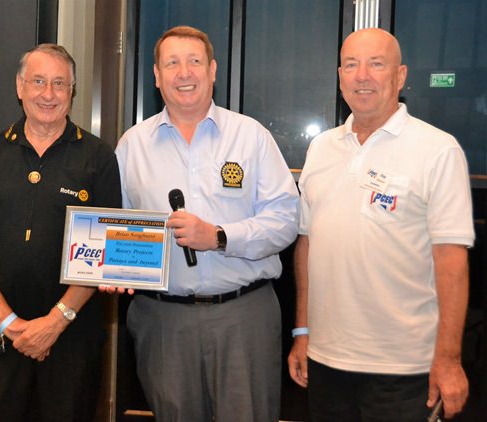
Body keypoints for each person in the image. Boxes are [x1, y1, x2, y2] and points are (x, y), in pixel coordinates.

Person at [112, 26, 299, 422]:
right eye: (172, 63)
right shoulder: (132, 145)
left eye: (195, 62)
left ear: (212, 70)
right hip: (162, 321)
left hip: (243, 316)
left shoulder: (251, 137)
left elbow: (285, 220)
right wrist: (115, 266)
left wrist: (218, 236)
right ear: (157, 76)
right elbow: (119, 224)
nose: (184, 73)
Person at [287, 28, 474, 421]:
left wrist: (449, 360)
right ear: (340, 77)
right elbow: (307, 245)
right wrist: (302, 332)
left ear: (400, 76)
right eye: (352, 65)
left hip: (404, 369)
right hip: (326, 360)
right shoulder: (321, 148)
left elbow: (451, 261)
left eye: (376, 64)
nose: (362, 76)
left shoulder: (438, 150)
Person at [0, 43, 121, 421]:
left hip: (72, 339)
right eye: (38, 81)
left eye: (59, 83)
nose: (48, 94)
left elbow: (105, 252)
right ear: (19, 87)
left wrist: (55, 322)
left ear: (72, 91)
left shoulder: (98, 157)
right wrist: (11, 325)